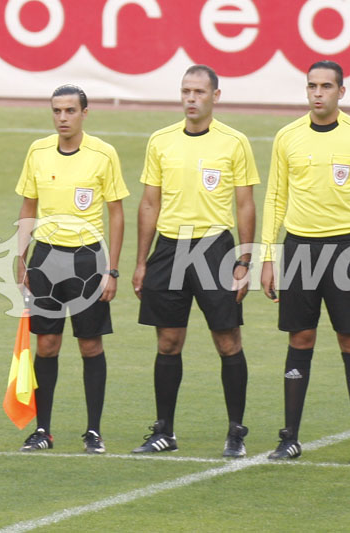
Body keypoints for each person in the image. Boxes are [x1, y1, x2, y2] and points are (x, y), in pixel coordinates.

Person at [260, 60, 350, 465]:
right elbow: (274, 197)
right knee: (300, 339)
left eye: (326, 86)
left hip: (346, 249)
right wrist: (268, 255)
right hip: (298, 248)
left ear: (341, 92)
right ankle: (290, 438)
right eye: (312, 86)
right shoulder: (287, 136)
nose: (318, 93)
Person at [131, 65, 259, 458]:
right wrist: (141, 262)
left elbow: (245, 204)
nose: (191, 98)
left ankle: (236, 432)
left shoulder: (234, 142)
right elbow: (149, 203)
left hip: (215, 249)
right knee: (168, 342)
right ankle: (164, 431)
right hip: (169, 248)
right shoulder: (161, 141)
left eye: (199, 92)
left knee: (227, 340)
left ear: (215, 96)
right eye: (186, 90)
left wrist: (244, 259)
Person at [15, 84, 129, 454]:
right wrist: (22, 257)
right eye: (57, 111)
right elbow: (28, 205)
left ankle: (93, 431)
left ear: (84, 113)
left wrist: (112, 269)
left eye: (70, 111)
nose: (62, 118)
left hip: (88, 261)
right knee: (46, 344)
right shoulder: (38, 151)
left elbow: (116, 213)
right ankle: (42, 430)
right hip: (46, 259)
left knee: (90, 344)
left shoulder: (103, 154)